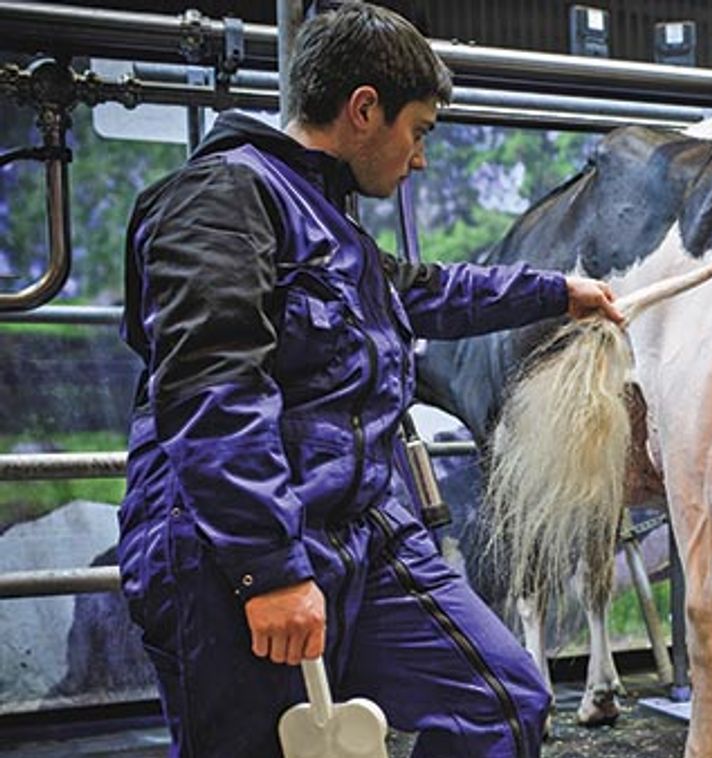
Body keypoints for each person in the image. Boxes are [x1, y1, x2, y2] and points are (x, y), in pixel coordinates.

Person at [116, 3, 622, 756]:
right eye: (417, 131)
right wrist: (267, 572)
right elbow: (212, 388)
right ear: (363, 110)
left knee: (502, 701)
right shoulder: (222, 198)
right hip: (227, 548)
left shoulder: (326, 219)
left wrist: (556, 292)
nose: (418, 158)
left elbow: (425, 289)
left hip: (357, 526)